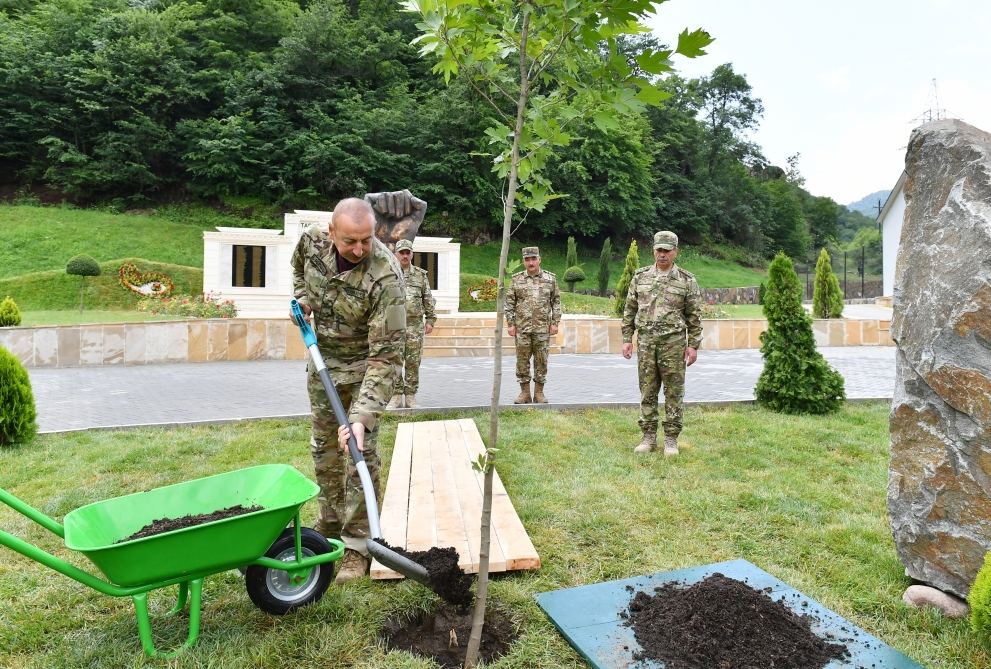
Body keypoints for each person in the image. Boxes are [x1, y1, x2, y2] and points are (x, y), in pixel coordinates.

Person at [290, 197, 406, 582]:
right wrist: (303, 301)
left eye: (366, 240)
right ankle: (327, 528)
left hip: (365, 368)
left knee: (359, 448)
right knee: (324, 447)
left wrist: (362, 417)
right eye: (350, 242)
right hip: (321, 362)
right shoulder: (310, 243)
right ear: (331, 233)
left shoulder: (385, 275)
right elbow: (297, 273)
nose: (359, 250)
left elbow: (386, 358)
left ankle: (357, 546)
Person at [621, 231, 702, 456]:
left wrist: (693, 345)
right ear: (653, 250)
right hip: (646, 343)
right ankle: (648, 437)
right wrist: (627, 339)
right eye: (659, 250)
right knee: (647, 390)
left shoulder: (686, 280)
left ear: (676, 251)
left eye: (667, 250)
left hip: (674, 345)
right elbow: (629, 310)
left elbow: (694, 316)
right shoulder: (640, 277)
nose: (663, 254)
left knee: (673, 392)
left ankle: (671, 439)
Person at [505, 246, 562, 404]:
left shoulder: (550, 279)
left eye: (533, 259)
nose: (531, 262)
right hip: (522, 328)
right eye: (527, 259)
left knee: (541, 360)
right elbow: (509, 303)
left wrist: (555, 322)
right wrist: (510, 323)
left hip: (542, 329)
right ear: (524, 261)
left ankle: (539, 393)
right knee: (522, 360)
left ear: (539, 259)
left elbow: (556, 301)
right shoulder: (516, 279)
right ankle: (524, 393)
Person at [388, 239, 436, 409]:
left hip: (415, 327)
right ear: (396, 254)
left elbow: (427, 299)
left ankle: (410, 396)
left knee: (413, 362)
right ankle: (396, 396)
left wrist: (430, 319)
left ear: (412, 254)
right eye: (402, 252)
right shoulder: (388, 274)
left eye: (408, 252)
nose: (405, 255)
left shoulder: (420, 275)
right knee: (394, 361)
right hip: (393, 326)